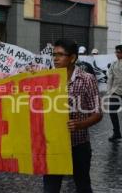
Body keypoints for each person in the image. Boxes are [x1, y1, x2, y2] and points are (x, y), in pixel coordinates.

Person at [43, 39, 102, 193]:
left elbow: (97, 113)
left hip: (79, 145)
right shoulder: (45, 78)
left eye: (60, 55)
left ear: (73, 58)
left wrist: (80, 124)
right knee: (50, 188)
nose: (55, 58)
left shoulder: (87, 79)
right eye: (54, 54)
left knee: (83, 186)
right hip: (53, 145)